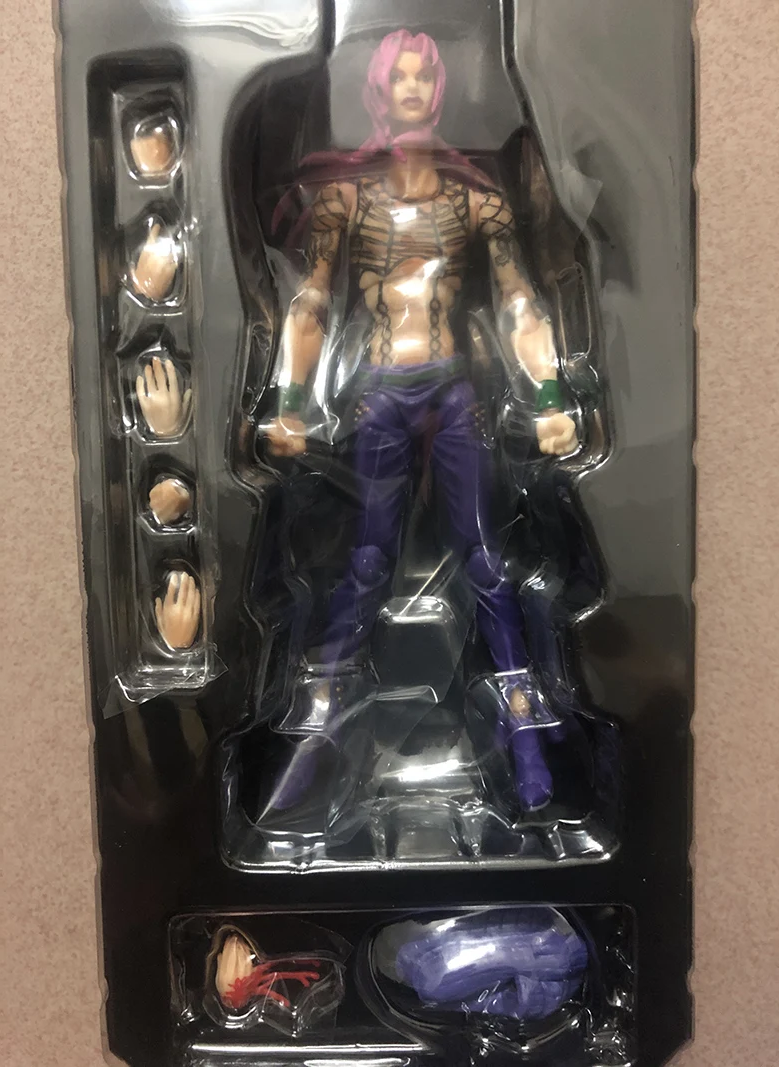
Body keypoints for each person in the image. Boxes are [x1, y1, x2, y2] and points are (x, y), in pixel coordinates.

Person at [265, 29, 577, 814]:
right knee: (367, 561)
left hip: (453, 390)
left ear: (437, 91)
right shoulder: (345, 199)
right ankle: (317, 732)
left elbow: (520, 302)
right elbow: (310, 301)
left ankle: (525, 735)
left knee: (485, 560)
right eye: (398, 76)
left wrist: (548, 401)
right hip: (378, 391)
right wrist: (292, 405)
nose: (412, 88)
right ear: (379, 90)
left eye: (423, 77)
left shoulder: (478, 200)